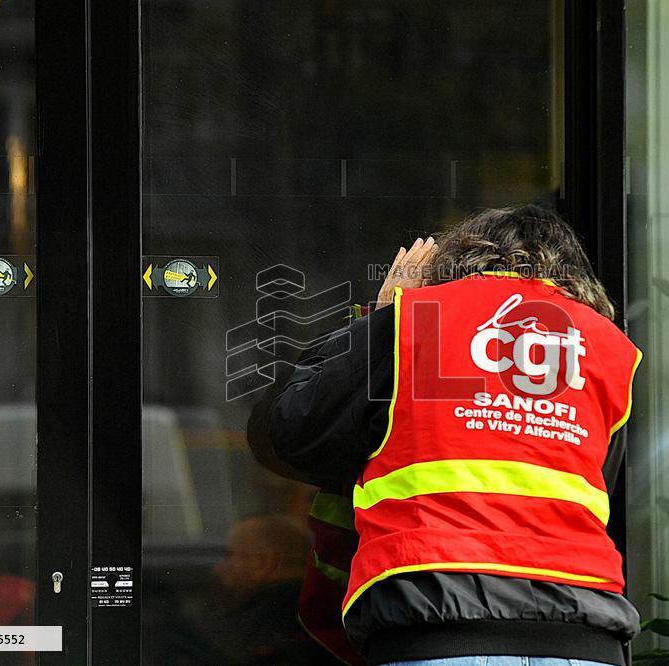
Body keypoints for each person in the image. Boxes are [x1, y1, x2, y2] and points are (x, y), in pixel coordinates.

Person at [251, 204, 642, 666]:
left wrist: (379, 318)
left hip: (437, 622)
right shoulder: (612, 349)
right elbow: (598, 488)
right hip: (585, 636)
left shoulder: (415, 320)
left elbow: (287, 431)